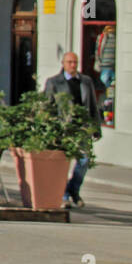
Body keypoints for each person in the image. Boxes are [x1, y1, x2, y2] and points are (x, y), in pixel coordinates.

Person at [44, 52, 103, 208]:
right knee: (62, 164)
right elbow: (47, 107)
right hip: (63, 129)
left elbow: (92, 106)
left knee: (84, 161)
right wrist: (49, 127)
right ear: (63, 63)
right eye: (69, 62)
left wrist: (96, 127)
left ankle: (72, 190)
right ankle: (64, 195)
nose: (73, 65)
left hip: (81, 129)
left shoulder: (86, 81)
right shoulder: (54, 82)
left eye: (75, 62)